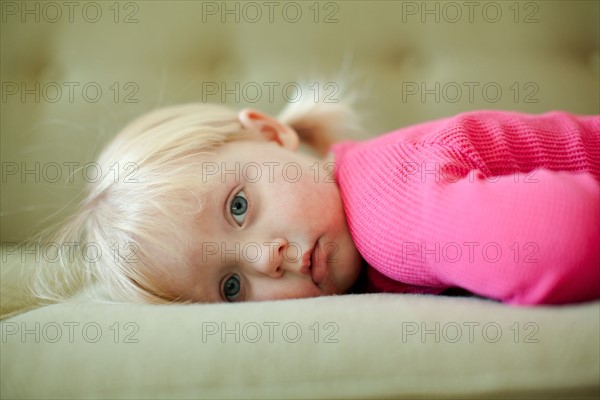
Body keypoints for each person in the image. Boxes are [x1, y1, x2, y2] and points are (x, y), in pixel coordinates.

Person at [29, 94, 600, 307]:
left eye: (237, 208)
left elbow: (571, 234)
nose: (264, 260)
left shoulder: (385, 212)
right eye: (230, 287)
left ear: (272, 134)